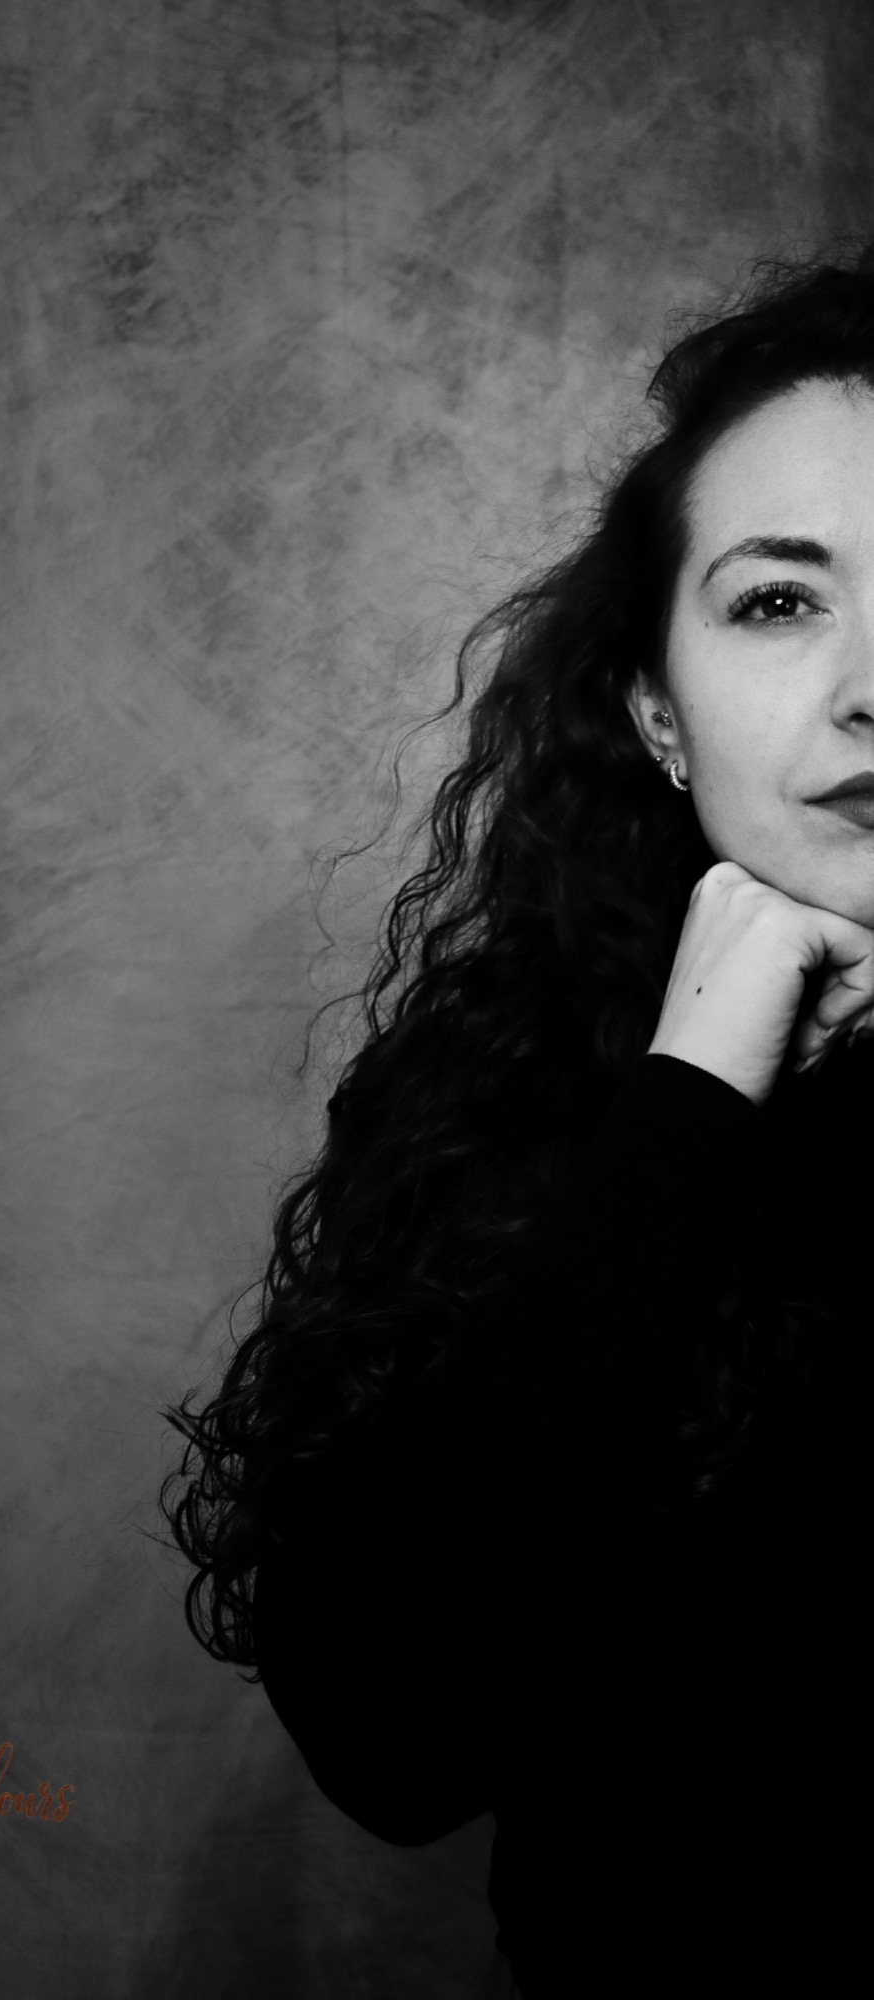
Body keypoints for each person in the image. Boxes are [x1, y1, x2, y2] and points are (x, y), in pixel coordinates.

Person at [160, 248, 874, 1997]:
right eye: (780, 601)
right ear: (655, 712)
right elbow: (394, 1734)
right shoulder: (518, 1092)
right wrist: (690, 1099)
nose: (871, 684)